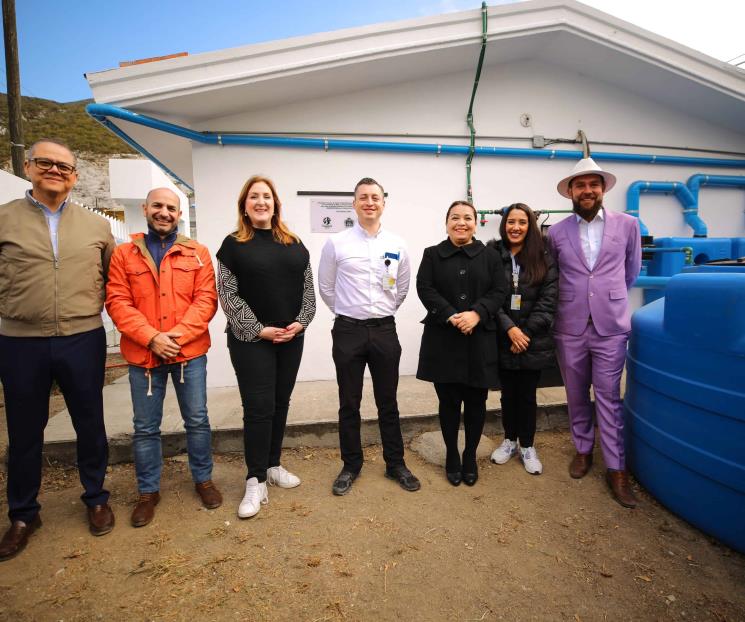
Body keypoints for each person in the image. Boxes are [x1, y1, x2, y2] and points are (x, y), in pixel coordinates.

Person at [0, 139, 116, 561]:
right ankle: (23, 514)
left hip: (82, 337)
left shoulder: (96, 227)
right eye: (45, 163)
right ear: (29, 167)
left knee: (90, 423)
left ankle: (97, 498)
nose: (55, 170)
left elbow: (110, 279)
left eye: (63, 166)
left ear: (75, 176)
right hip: (19, 340)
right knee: (25, 430)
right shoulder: (5, 219)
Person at [106, 187, 221, 527]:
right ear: (145, 208)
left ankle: (203, 480)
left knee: (197, 420)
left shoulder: (197, 253)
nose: (164, 212)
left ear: (180, 214)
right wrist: (152, 338)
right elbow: (117, 301)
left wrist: (177, 337)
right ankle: (147, 492)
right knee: (145, 427)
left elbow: (206, 300)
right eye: (158, 205)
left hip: (189, 354)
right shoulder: (124, 254)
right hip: (144, 355)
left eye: (171, 207)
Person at [216, 176, 315, 519]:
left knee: (279, 403)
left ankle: (272, 465)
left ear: (276, 204)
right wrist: (261, 330)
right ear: (245, 204)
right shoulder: (232, 245)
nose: (261, 202)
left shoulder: (294, 243)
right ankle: (254, 479)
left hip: (290, 339)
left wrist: (301, 322)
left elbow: (308, 291)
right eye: (254, 197)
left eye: (267, 197)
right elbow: (228, 296)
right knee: (258, 408)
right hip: (250, 341)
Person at [547, 158, 641, 507]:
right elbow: (554, 277)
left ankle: (616, 469)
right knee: (575, 394)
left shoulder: (628, 225)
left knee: (608, 396)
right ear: (570, 191)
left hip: (610, 328)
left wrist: (606, 298)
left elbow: (630, 271)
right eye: (580, 185)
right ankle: (583, 450)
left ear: (603, 189)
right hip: (569, 326)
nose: (587, 190)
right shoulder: (556, 232)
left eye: (593, 184)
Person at [318, 177, 420, 495]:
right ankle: (351, 466)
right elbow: (326, 287)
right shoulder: (337, 243)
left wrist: (381, 313)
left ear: (383, 203)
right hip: (348, 330)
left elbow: (401, 287)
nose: (369, 202)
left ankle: (395, 464)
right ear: (355, 203)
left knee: (387, 402)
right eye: (363, 197)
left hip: (384, 330)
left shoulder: (398, 244)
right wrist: (350, 313)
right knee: (349, 402)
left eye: (375, 197)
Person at [416, 201, 506, 486]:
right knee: (449, 401)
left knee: (477, 401)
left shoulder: (490, 255)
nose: (461, 223)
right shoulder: (432, 255)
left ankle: (469, 456)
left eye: (467, 218)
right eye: (455, 218)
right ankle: (452, 455)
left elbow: (500, 290)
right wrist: (451, 315)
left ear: (476, 223)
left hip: (480, 339)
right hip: (444, 339)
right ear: (446, 223)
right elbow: (424, 288)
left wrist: (477, 313)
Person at [487, 203, 558, 475]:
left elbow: (549, 300)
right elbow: (489, 296)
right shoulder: (492, 254)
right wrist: (509, 329)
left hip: (533, 339)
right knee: (507, 395)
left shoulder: (544, 257)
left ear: (530, 226)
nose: (515, 227)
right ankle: (509, 440)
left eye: (522, 222)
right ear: (503, 225)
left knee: (527, 396)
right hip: (503, 337)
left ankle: (527, 445)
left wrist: (525, 333)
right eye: (510, 222)